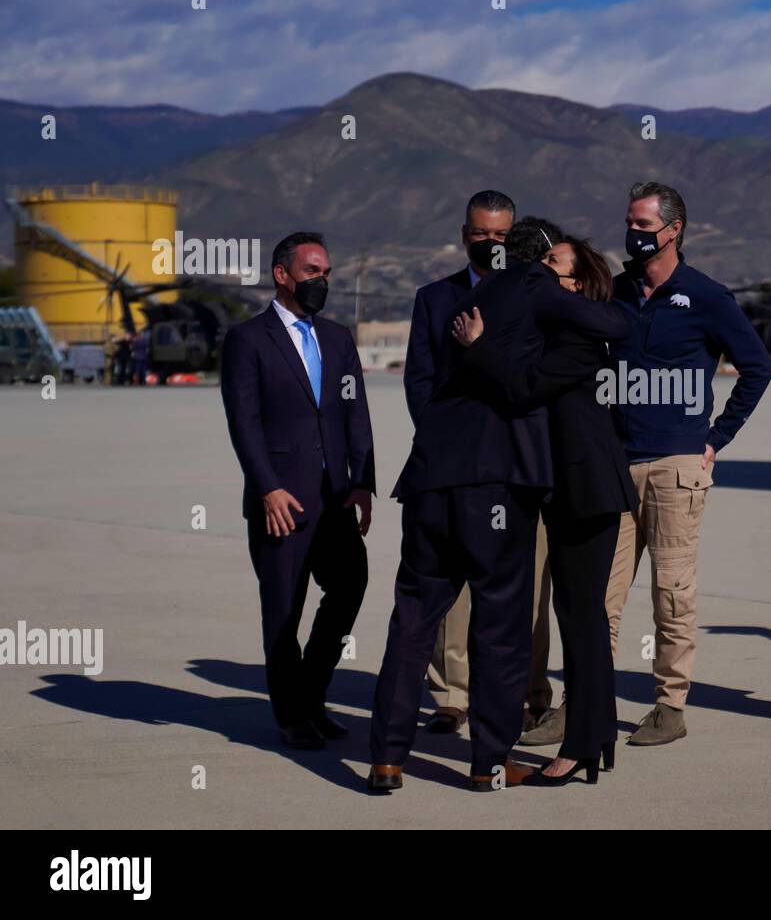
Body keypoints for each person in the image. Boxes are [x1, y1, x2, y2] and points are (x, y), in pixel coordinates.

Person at [368, 218, 632, 793]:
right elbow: (616, 324)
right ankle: (488, 763)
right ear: (540, 259)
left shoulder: (471, 295)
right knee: (502, 624)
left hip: (430, 474)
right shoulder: (534, 289)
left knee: (411, 621)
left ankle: (386, 759)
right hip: (495, 482)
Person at [451, 234, 636, 785]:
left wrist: (479, 346)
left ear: (577, 285)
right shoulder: (558, 331)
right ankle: (596, 735)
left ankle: (581, 743)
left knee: (582, 619)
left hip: (588, 493)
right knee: (581, 617)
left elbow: (526, 389)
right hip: (574, 491)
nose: (539, 270)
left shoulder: (578, 337)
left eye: (553, 265)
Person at [603, 181, 771, 746]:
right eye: (629, 222)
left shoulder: (706, 296)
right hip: (617, 467)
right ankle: (589, 701)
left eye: (644, 226)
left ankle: (669, 706)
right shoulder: (615, 291)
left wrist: (715, 438)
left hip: (677, 464)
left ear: (673, 231)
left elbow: (757, 368)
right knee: (598, 594)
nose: (633, 234)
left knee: (672, 593)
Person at [404, 190, 554, 736]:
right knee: (454, 590)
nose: (490, 244)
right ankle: (451, 693)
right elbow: (420, 380)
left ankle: (527, 690)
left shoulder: (536, 294)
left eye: (500, 236)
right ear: (463, 234)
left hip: (517, 468)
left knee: (525, 587)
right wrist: (445, 444)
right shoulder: (433, 298)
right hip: (454, 467)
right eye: (480, 234)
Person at [219, 231, 375, 749]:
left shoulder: (337, 338)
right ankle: (292, 716)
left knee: (350, 585)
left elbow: (356, 414)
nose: (321, 281)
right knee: (284, 611)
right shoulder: (248, 340)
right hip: (281, 502)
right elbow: (245, 423)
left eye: (326, 272)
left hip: (335, 498)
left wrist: (361, 484)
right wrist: (266, 489)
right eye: (312, 271)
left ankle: (311, 693)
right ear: (281, 274)